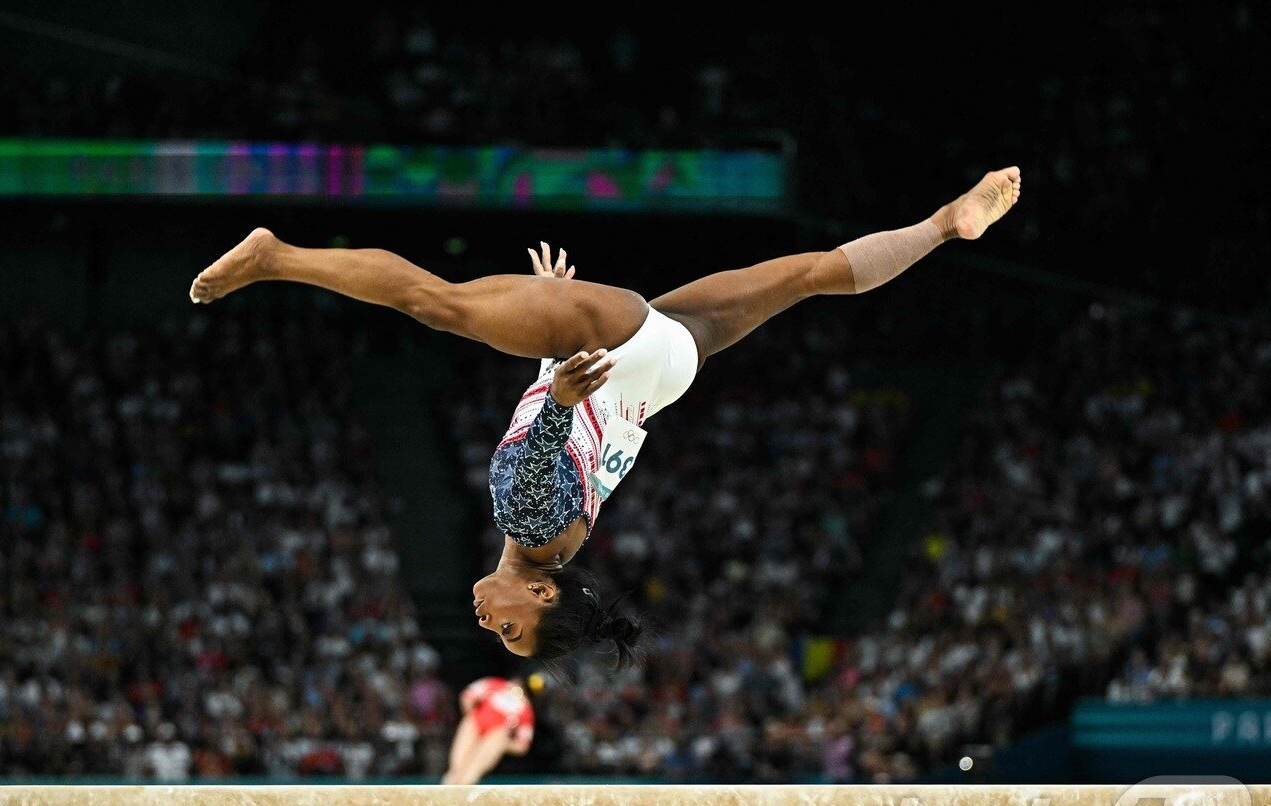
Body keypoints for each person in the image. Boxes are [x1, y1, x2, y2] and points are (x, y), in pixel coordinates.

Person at [190, 168, 1021, 666]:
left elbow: (567, 445)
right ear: (540, 592)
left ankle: (943, 224)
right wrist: (557, 378)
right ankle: (276, 256)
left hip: (664, 371)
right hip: (612, 348)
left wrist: (550, 331)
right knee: (435, 302)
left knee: (808, 275)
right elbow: (543, 451)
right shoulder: (527, 529)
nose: (491, 626)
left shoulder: (568, 541)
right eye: (513, 630)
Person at [441, 676, 536, 784]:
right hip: (475, 725)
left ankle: (464, 785)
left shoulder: (526, 712)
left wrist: (503, 742)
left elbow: (522, 746)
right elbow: (467, 695)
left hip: (496, 735)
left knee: (471, 772)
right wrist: (470, 714)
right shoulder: (494, 684)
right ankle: (447, 788)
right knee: (457, 767)